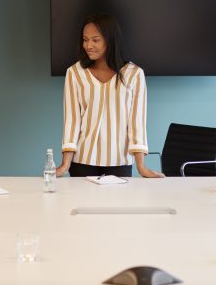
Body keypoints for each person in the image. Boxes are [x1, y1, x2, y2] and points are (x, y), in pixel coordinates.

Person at [56, 13, 163, 178]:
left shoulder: (134, 74)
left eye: (95, 40)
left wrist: (142, 167)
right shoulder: (74, 73)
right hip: (82, 161)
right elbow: (71, 121)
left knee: (118, 205)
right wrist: (65, 164)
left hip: (119, 162)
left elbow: (137, 123)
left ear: (110, 40)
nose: (88, 45)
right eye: (85, 40)